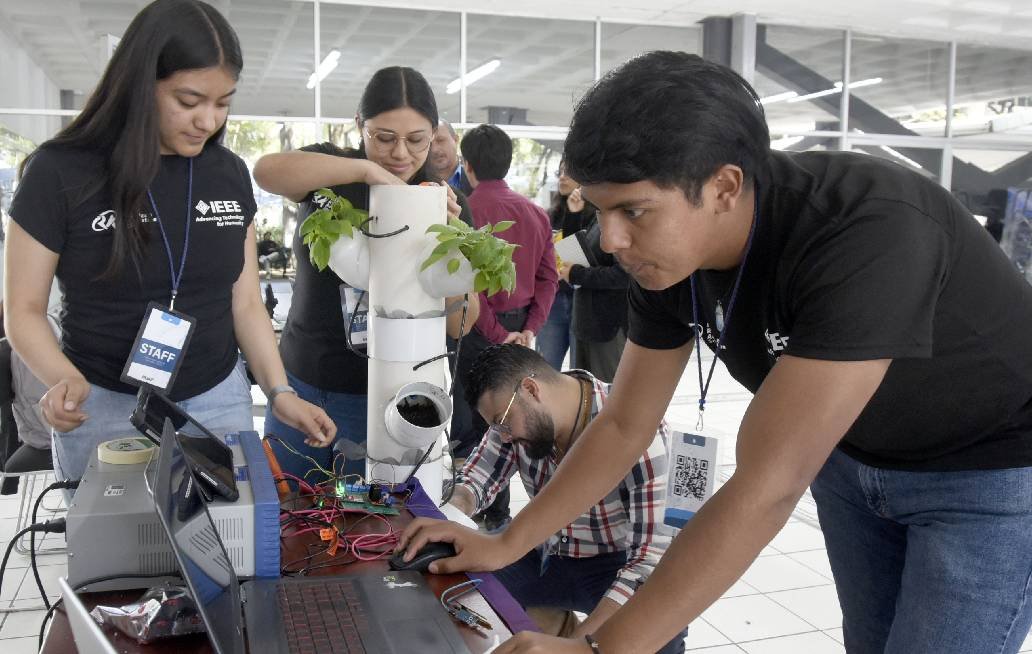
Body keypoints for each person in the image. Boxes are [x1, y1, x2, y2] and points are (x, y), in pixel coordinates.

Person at [399, 51, 1032, 654]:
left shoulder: (867, 227)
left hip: (986, 475)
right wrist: (505, 543)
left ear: (725, 186)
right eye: (599, 210)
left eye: (634, 210)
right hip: (853, 460)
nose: (610, 239)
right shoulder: (667, 259)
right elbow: (623, 423)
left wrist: (603, 645)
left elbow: (769, 482)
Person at [3, 0, 335, 485]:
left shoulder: (227, 174)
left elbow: (244, 304)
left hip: (216, 401)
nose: (208, 121)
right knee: (116, 553)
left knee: (226, 548)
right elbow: (24, 311)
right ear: (140, 85)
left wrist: (279, 390)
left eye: (222, 103)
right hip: (102, 405)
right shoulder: (60, 172)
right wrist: (63, 378)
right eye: (189, 100)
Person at [253, 66, 478, 482]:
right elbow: (266, 171)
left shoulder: (444, 201)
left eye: (417, 140)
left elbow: (460, 325)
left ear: (435, 133)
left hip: (389, 393)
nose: (400, 155)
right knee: (289, 508)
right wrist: (364, 172)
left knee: (372, 523)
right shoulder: (332, 170)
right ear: (360, 125)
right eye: (384, 138)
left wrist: (452, 247)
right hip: (307, 380)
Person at [451, 343, 686, 652]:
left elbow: (648, 563)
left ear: (531, 389)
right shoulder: (512, 415)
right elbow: (476, 479)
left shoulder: (641, 431)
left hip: (616, 564)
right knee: (460, 588)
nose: (504, 435)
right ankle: (552, 621)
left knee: (658, 633)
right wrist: (452, 510)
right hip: (545, 552)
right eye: (497, 427)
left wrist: (581, 646)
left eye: (503, 424)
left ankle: (563, 630)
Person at [448, 123, 558, 532]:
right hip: (524, 331)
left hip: (478, 328)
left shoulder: (464, 212)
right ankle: (516, 515)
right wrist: (529, 329)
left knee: (482, 422)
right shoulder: (537, 214)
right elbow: (550, 279)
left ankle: (485, 511)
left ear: (467, 164)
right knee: (520, 418)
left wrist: (498, 335)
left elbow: (470, 288)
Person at [558, 211, 630, 383]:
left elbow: (625, 275)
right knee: (586, 392)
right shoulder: (598, 215)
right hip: (585, 322)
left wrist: (576, 274)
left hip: (608, 326)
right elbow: (573, 251)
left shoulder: (620, 218)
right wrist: (573, 213)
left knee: (608, 391)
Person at [535, 162, 591, 371]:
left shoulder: (595, 216)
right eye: (560, 172)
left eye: (569, 172)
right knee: (544, 370)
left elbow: (579, 257)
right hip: (553, 299)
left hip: (583, 300)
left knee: (581, 372)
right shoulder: (551, 214)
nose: (562, 177)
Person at [427, 120, 473, 196]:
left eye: (440, 140)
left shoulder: (477, 181)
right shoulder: (415, 183)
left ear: (456, 140)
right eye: (429, 143)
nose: (434, 149)